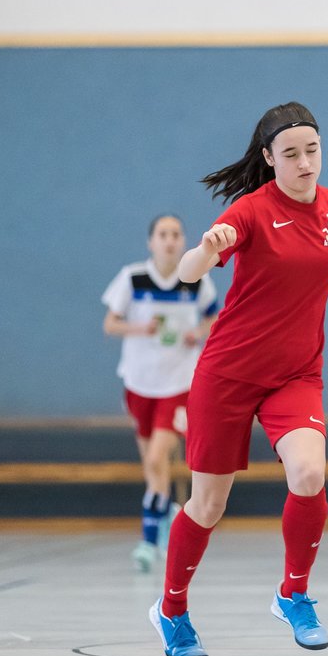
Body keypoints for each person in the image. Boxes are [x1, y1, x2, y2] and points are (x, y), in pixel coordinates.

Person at [149, 102, 328, 656]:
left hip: (295, 373)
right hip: (228, 373)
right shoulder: (250, 211)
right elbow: (187, 273)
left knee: (310, 472)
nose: (304, 163)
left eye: (312, 151)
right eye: (290, 154)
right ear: (269, 159)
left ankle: (293, 593)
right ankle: (171, 609)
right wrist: (207, 248)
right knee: (208, 504)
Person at [103, 214, 219, 572]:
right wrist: (142, 327)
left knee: (157, 459)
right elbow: (110, 324)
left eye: (175, 234)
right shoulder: (133, 277)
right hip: (140, 382)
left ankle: (148, 540)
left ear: (183, 240)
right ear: (151, 242)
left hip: (179, 383)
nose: (169, 240)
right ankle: (165, 512)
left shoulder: (196, 280)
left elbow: (216, 317)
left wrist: (197, 332)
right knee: (152, 469)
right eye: (162, 235)